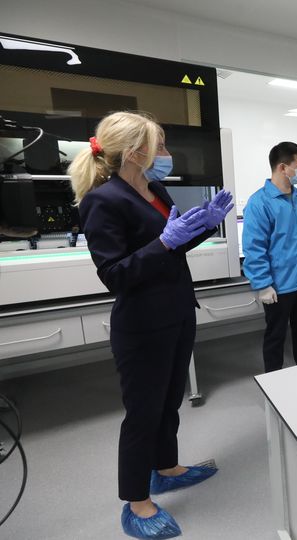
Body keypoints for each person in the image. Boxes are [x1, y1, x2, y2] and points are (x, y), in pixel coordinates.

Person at [71, 111, 231, 539]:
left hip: (177, 312)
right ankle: (137, 502)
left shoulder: (153, 187)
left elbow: (171, 247)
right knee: (143, 414)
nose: (166, 153)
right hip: (142, 325)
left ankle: (167, 468)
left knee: (169, 402)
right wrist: (165, 241)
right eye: (159, 146)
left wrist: (203, 226)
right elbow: (114, 274)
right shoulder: (103, 200)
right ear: (133, 151)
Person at [242, 142, 297, 372]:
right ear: (282, 167)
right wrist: (263, 284)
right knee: (275, 336)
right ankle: (273, 380)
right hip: (279, 286)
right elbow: (254, 247)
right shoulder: (259, 203)